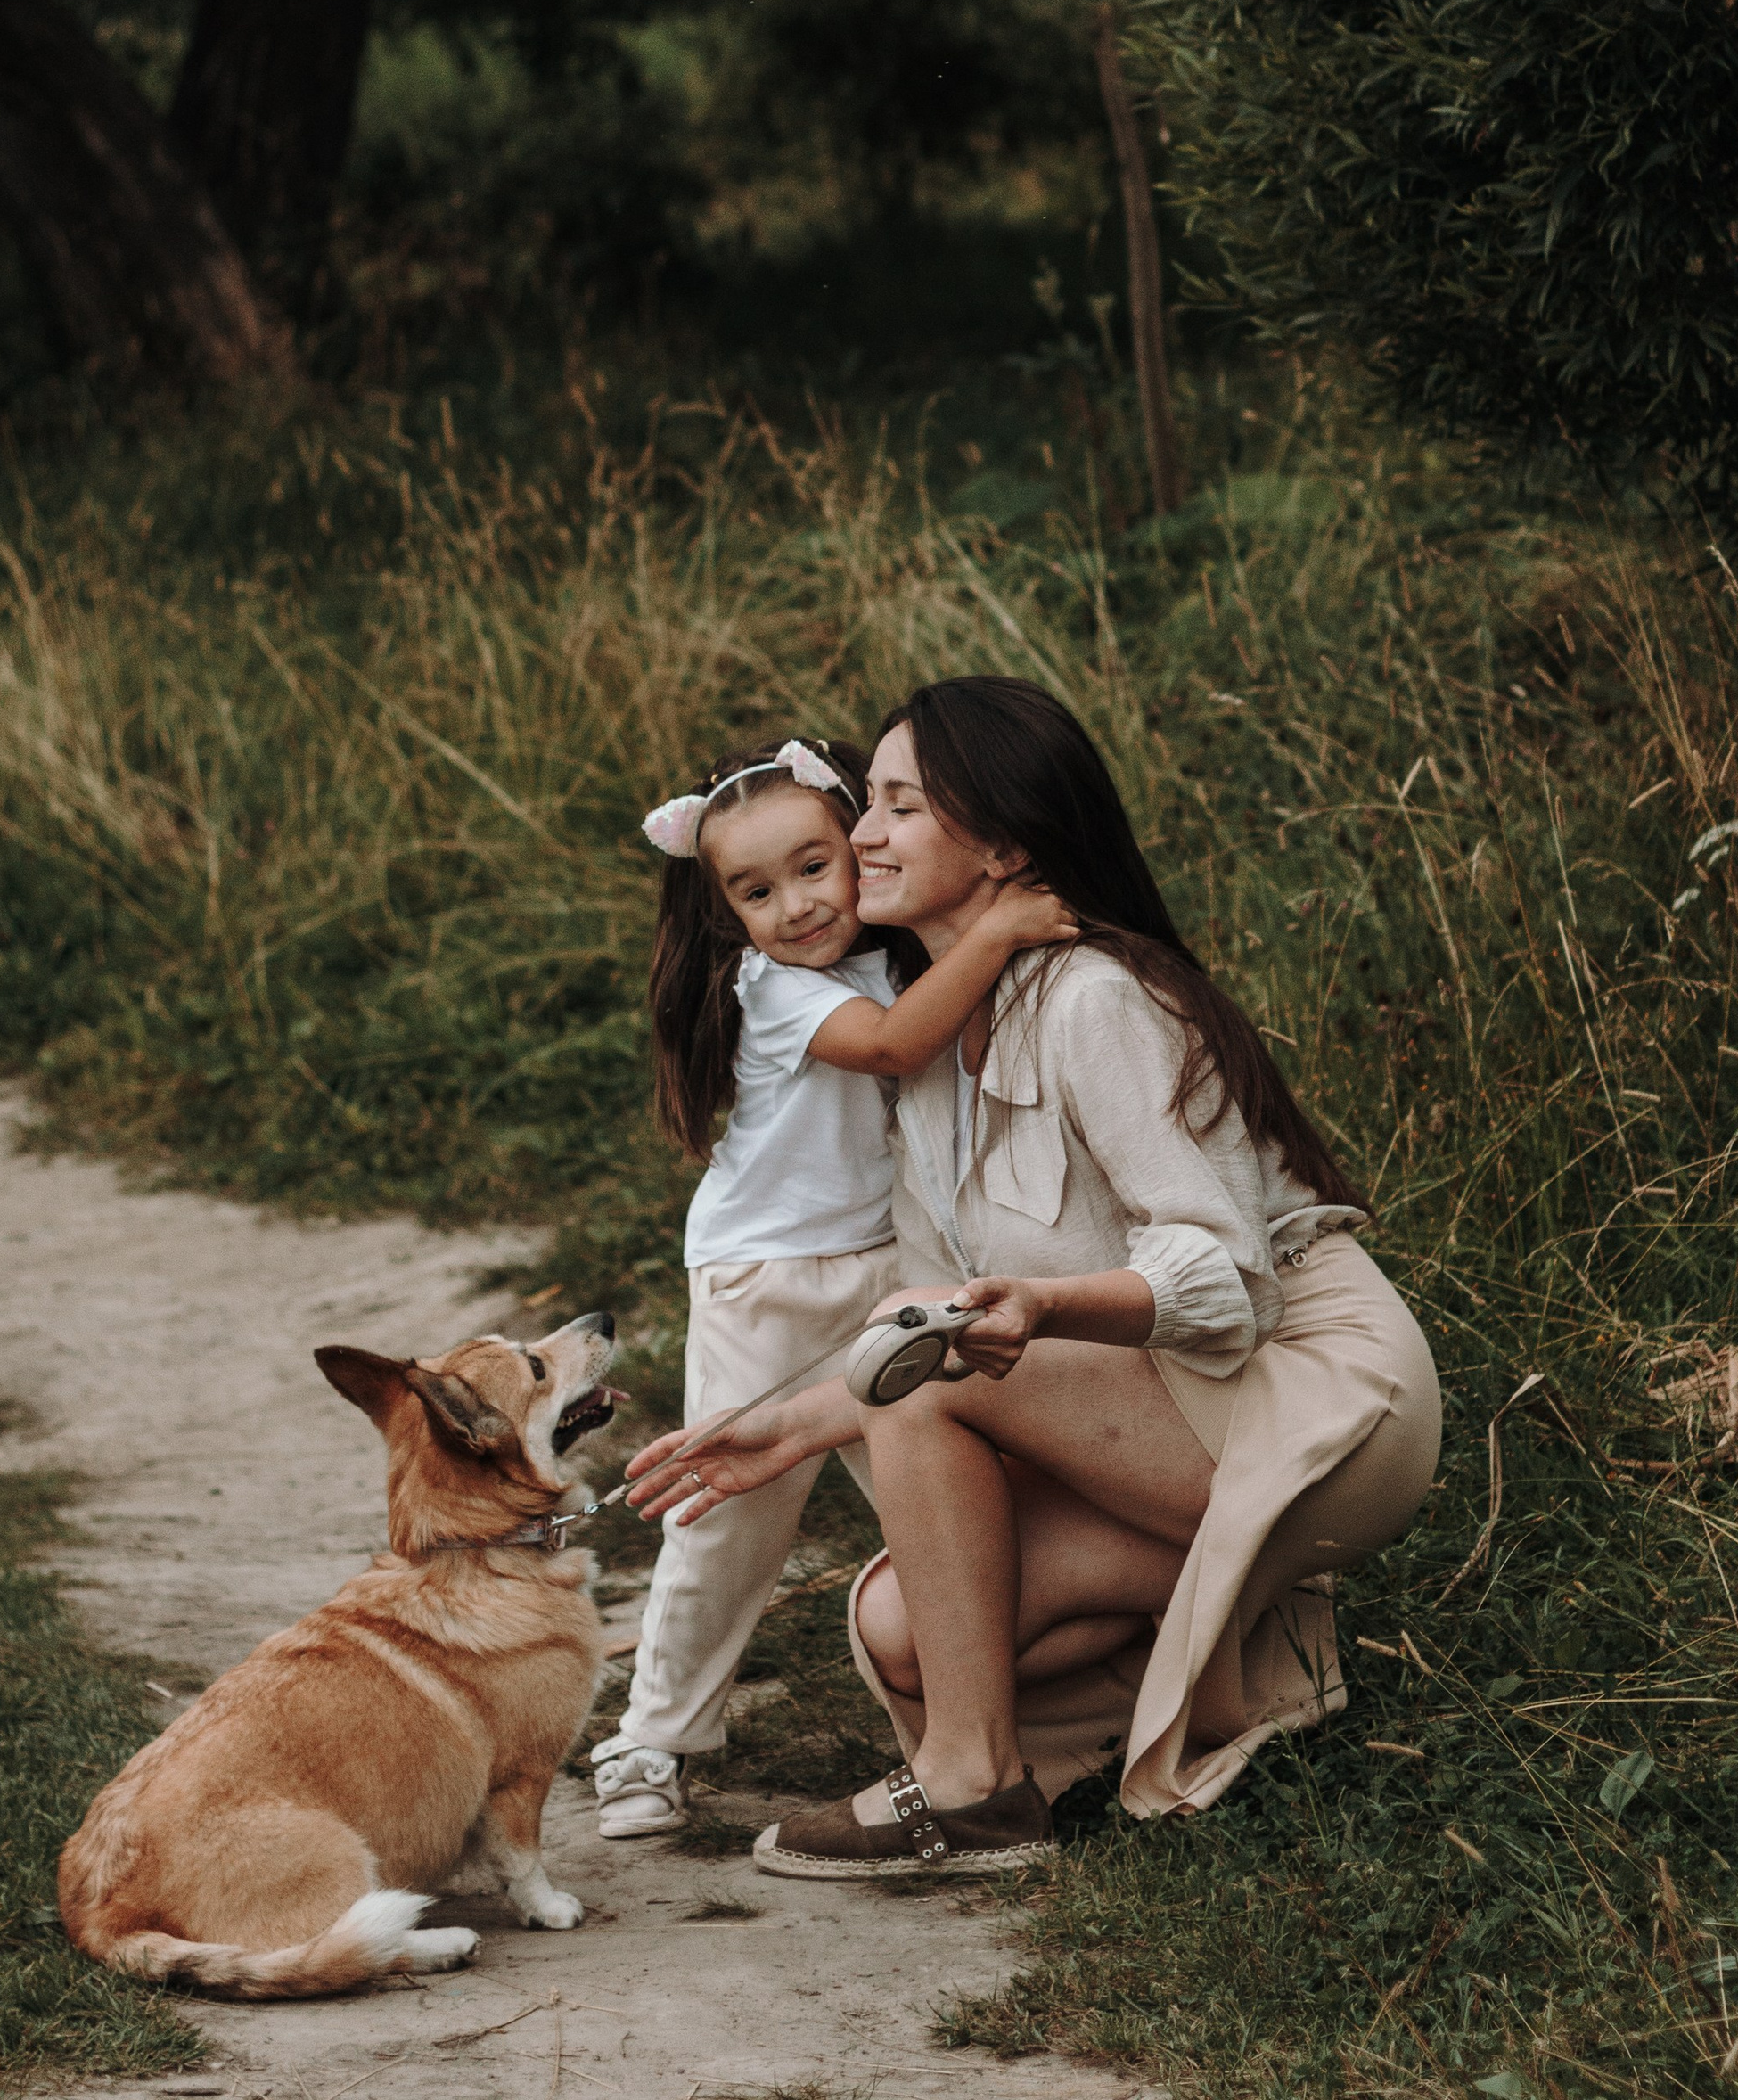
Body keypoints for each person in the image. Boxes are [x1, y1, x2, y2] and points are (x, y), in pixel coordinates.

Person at [627, 677, 1441, 1877]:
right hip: (1170, 1418)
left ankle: (971, 1787)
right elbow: (946, 1323)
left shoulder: (1095, 999)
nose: (862, 834)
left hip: (1317, 1407)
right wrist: (784, 1428)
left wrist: (1050, 1305)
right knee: (898, 1629)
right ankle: (1260, 1651)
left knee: (925, 1350)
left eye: (899, 806)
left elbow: (1226, 1281)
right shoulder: (926, 1041)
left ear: (1004, 844)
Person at [589, 729, 1067, 1841]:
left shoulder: (892, 951)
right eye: (756, 891)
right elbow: (901, 1047)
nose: (797, 906)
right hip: (765, 1279)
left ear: (857, 843)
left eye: (814, 867)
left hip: (885, 1266)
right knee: (731, 1512)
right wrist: (999, 928)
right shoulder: (776, 991)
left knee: (932, 1491)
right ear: (729, 918)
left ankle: (984, 1727)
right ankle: (652, 1740)